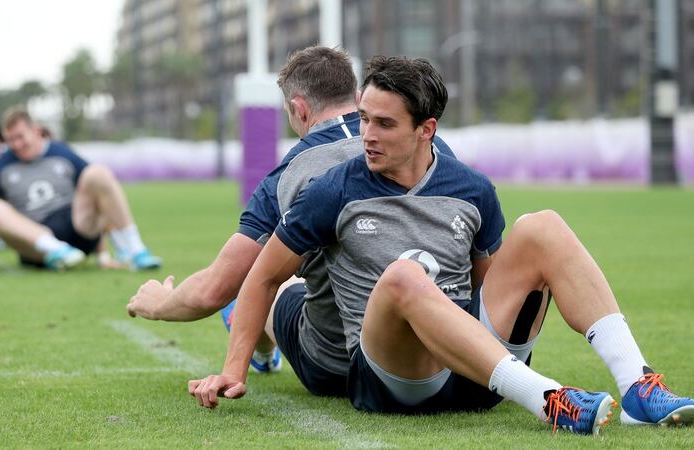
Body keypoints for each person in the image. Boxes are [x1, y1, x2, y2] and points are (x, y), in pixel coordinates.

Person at [189, 56, 694, 435]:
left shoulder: (470, 188)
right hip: (392, 378)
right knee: (405, 275)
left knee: (543, 225)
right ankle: (550, 400)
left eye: (384, 124)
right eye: (364, 118)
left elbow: (487, 286)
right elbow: (264, 275)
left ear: (426, 130)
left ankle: (637, 386)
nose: (366, 135)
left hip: (472, 373)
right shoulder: (334, 190)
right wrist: (233, 372)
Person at [128, 45, 457, 392]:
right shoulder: (428, 148)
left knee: (269, 276)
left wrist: (160, 304)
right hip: (431, 356)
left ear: (298, 108)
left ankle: (259, 346)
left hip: (336, 364)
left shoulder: (291, 174)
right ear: (358, 96)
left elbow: (215, 289)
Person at [0, 107, 162, 271]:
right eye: (10, 139)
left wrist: (104, 255)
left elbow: (98, 200)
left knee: (98, 172)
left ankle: (136, 250)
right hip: (36, 245)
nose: (16, 144)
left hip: (78, 231)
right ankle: (57, 251)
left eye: (20, 137)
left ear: (36, 130)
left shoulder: (63, 152)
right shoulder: (0, 167)